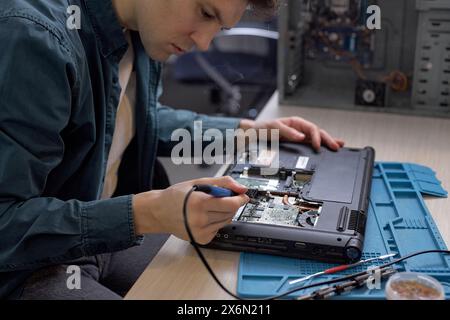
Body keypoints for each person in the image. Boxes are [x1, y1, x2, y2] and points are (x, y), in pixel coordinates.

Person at [0, 0, 345, 300]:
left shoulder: (139, 27)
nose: (205, 41)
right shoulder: (36, 38)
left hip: (97, 237)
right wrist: (146, 213)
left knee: (222, 283)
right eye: (205, 12)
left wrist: (246, 133)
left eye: (220, 26)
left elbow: (134, 117)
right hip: (26, 267)